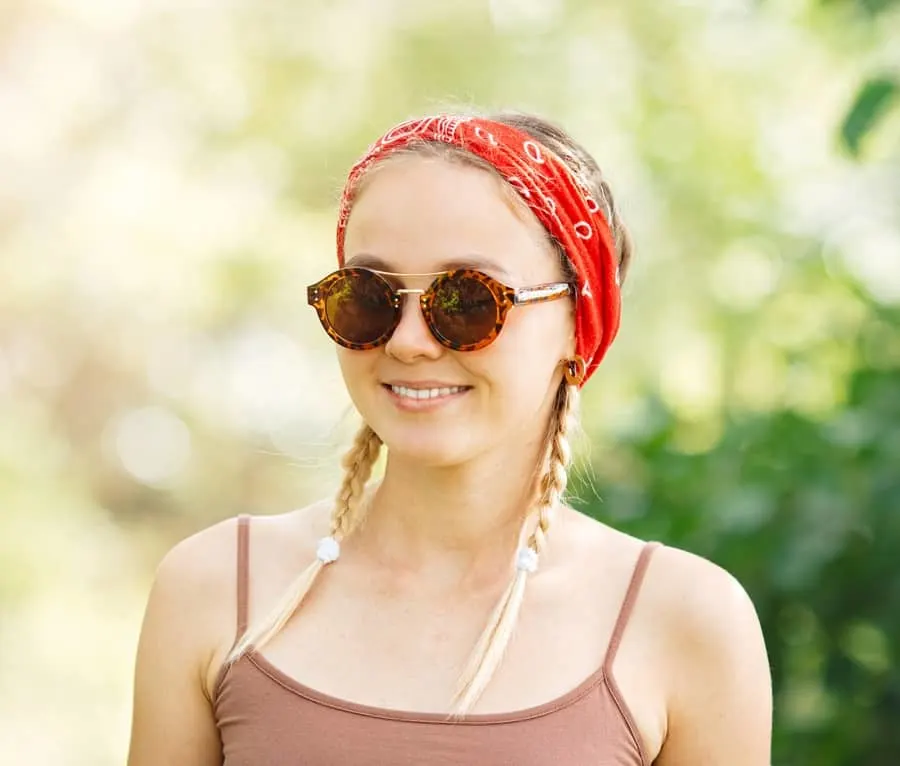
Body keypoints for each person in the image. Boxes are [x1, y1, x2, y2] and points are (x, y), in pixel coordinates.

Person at [127, 112, 773, 765]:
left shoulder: (685, 620)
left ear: (578, 323)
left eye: (467, 301)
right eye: (370, 297)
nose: (408, 341)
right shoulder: (212, 589)